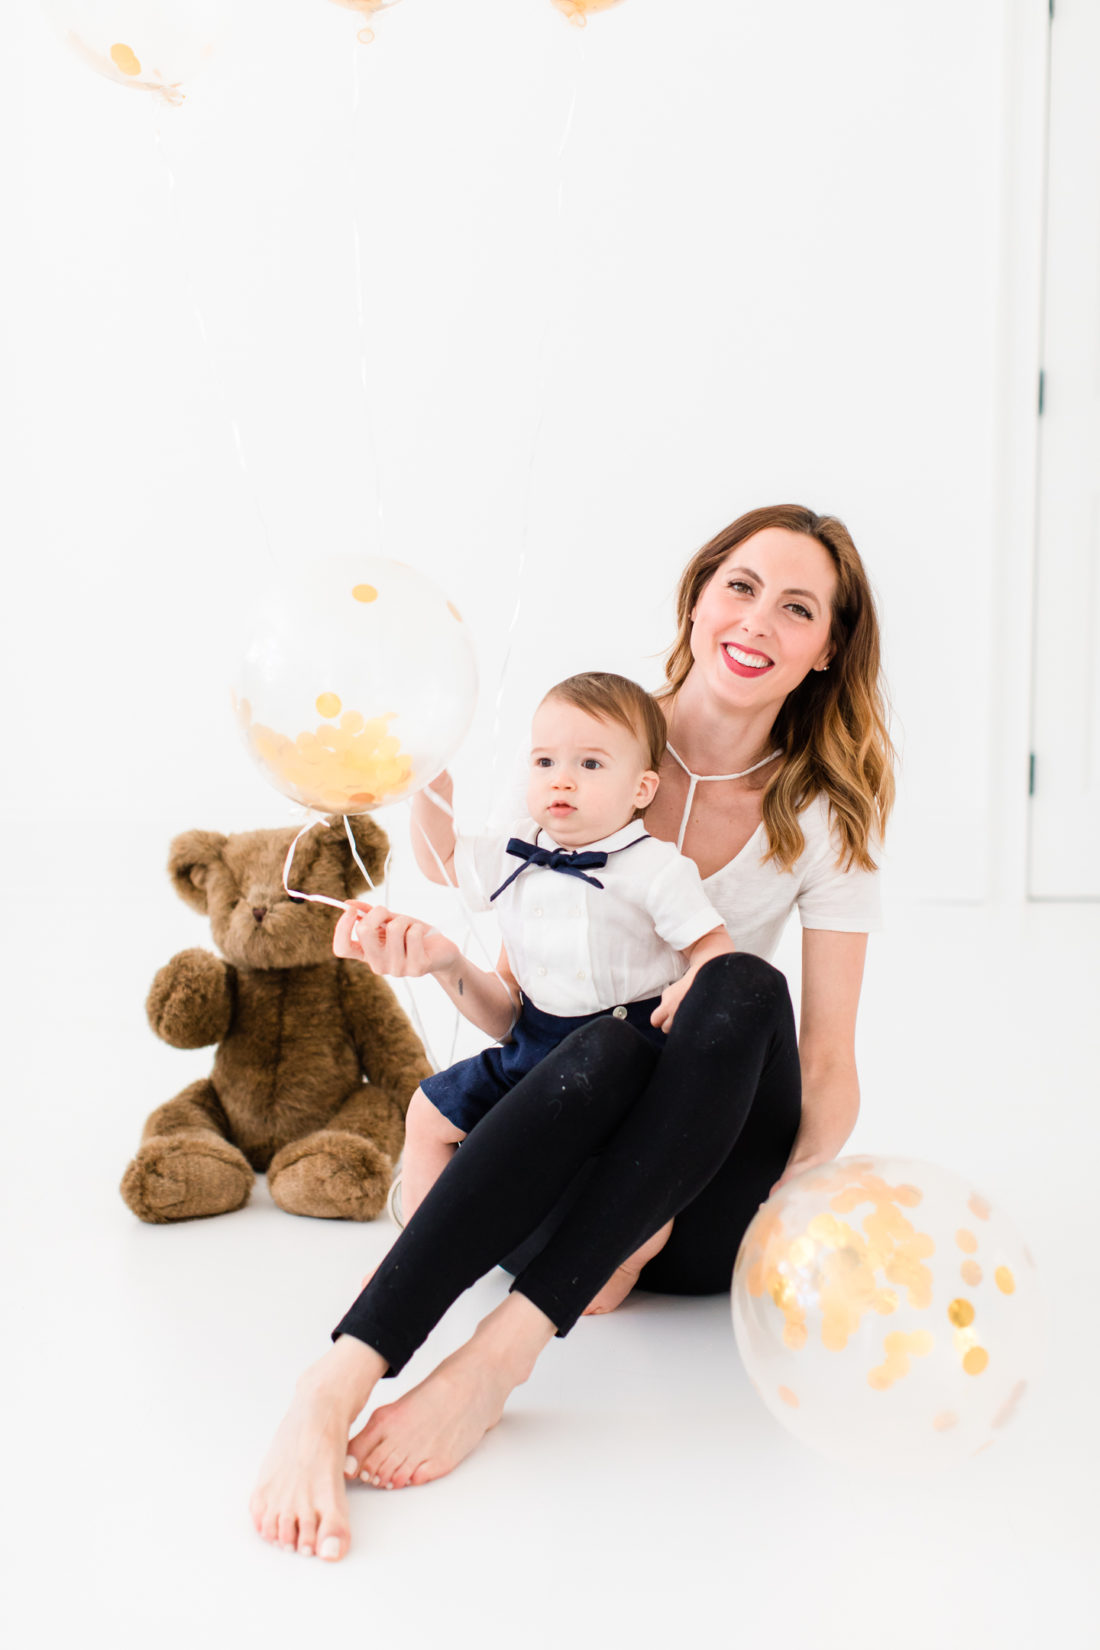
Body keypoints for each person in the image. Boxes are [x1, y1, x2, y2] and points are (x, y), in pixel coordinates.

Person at [250, 504, 895, 1562]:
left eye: (796, 607)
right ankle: (331, 1385)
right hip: (565, 1198)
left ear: (824, 650)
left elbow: (823, 1067)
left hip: (694, 1212)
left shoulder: (822, 817)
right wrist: (446, 970)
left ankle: (494, 1362)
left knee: (734, 984)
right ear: (695, 599)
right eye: (739, 586)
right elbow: (525, 1010)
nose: (756, 621)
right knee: (599, 1040)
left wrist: (769, 1200)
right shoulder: (580, 745)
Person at [382, 671, 732, 1269]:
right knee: (429, 1112)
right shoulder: (516, 849)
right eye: (544, 761)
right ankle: (418, 1257)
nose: (561, 779)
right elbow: (441, 860)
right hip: (536, 1040)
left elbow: (714, 947)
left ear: (642, 787)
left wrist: (695, 984)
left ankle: (620, 1265)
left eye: (591, 765)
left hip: (630, 1045)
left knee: (636, 1171)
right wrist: (429, 788)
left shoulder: (655, 868)